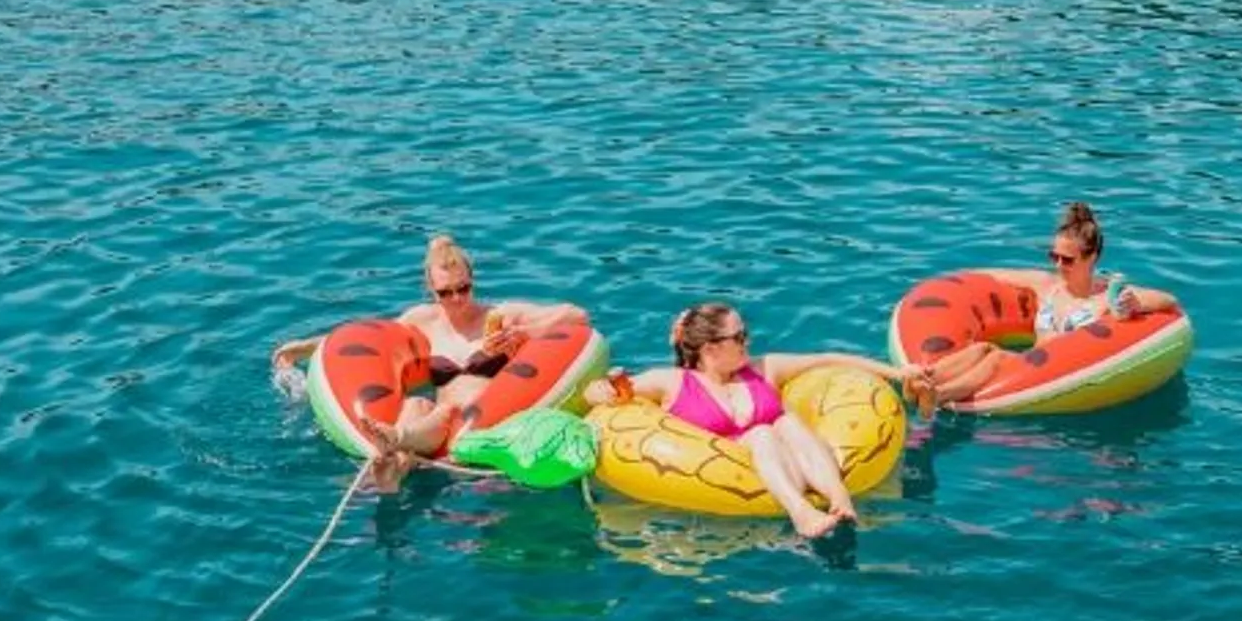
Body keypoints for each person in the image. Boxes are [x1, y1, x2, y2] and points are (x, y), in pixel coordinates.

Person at [584, 302, 932, 539]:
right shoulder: (673, 383)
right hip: (728, 474)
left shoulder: (765, 369)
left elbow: (828, 359)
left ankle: (839, 497)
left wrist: (901, 375)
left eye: (744, 332)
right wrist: (597, 390)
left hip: (796, 460)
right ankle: (801, 513)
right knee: (764, 432)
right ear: (709, 349)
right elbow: (605, 395)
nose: (747, 341)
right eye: (737, 337)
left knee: (786, 423)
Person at [272, 234, 587, 490]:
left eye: (463, 289)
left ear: (473, 280)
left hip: (483, 425)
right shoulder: (421, 321)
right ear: (430, 289)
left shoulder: (502, 316)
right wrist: (308, 347)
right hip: (435, 428)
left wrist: (523, 333)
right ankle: (394, 464)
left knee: (446, 412)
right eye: (445, 293)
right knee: (418, 406)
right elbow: (369, 339)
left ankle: (396, 447)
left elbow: (576, 315)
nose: (457, 299)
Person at [915, 202, 1181, 410]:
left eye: (1067, 260)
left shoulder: (1103, 299)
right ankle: (923, 378)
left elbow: (1168, 300)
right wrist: (946, 283)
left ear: (1092, 258)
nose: (1058, 265)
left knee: (995, 356)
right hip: (1024, 368)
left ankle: (938, 396)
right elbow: (987, 276)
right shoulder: (1046, 285)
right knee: (983, 348)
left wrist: (1133, 303)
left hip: (1054, 376)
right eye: (1053, 256)